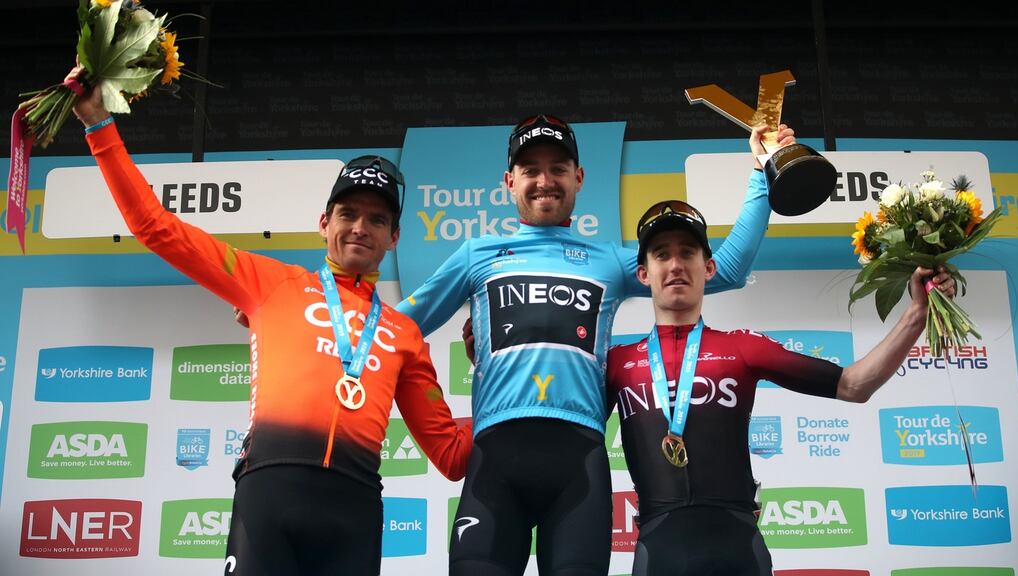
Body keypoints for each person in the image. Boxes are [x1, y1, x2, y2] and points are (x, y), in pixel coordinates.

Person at [70, 76, 472, 576]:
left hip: (355, 511)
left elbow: (452, 455)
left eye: (376, 219)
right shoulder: (271, 283)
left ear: (395, 236)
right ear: (324, 222)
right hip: (268, 496)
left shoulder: (403, 333)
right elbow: (156, 228)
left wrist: (515, 386)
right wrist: (99, 125)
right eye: (348, 214)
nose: (360, 228)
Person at [393, 114, 793, 575]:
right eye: (531, 169)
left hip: (577, 463)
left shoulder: (609, 260)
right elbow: (392, 332)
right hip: (494, 463)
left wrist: (764, 171)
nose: (545, 181)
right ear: (509, 181)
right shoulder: (477, 255)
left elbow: (728, 269)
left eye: (559, 168)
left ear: (579, 177)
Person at [606, 199, 955, 576]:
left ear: (708, 268)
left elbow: (854, 385)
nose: (675, 265)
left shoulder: (743, 346)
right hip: (659, 548)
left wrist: (917, 315)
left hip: (737, 545)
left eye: (687, 253)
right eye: (662, 255)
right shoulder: (616, 362)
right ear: (643, 273)